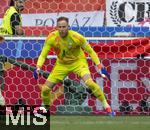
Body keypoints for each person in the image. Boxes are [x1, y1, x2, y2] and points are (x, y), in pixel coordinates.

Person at [35, 16, 114, 116]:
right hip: (62, 65)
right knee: (46, 89)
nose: (62, 29)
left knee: (90, 83)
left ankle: (107, 107)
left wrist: (100, 66)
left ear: (68, 27)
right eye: (59, 27)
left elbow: (91, 51)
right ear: (56, 27)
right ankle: (45, 109)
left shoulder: (77, 37)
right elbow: (43, 55)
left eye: (64, 27)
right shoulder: (52, 38)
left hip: (78, 62)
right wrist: (38, 67)